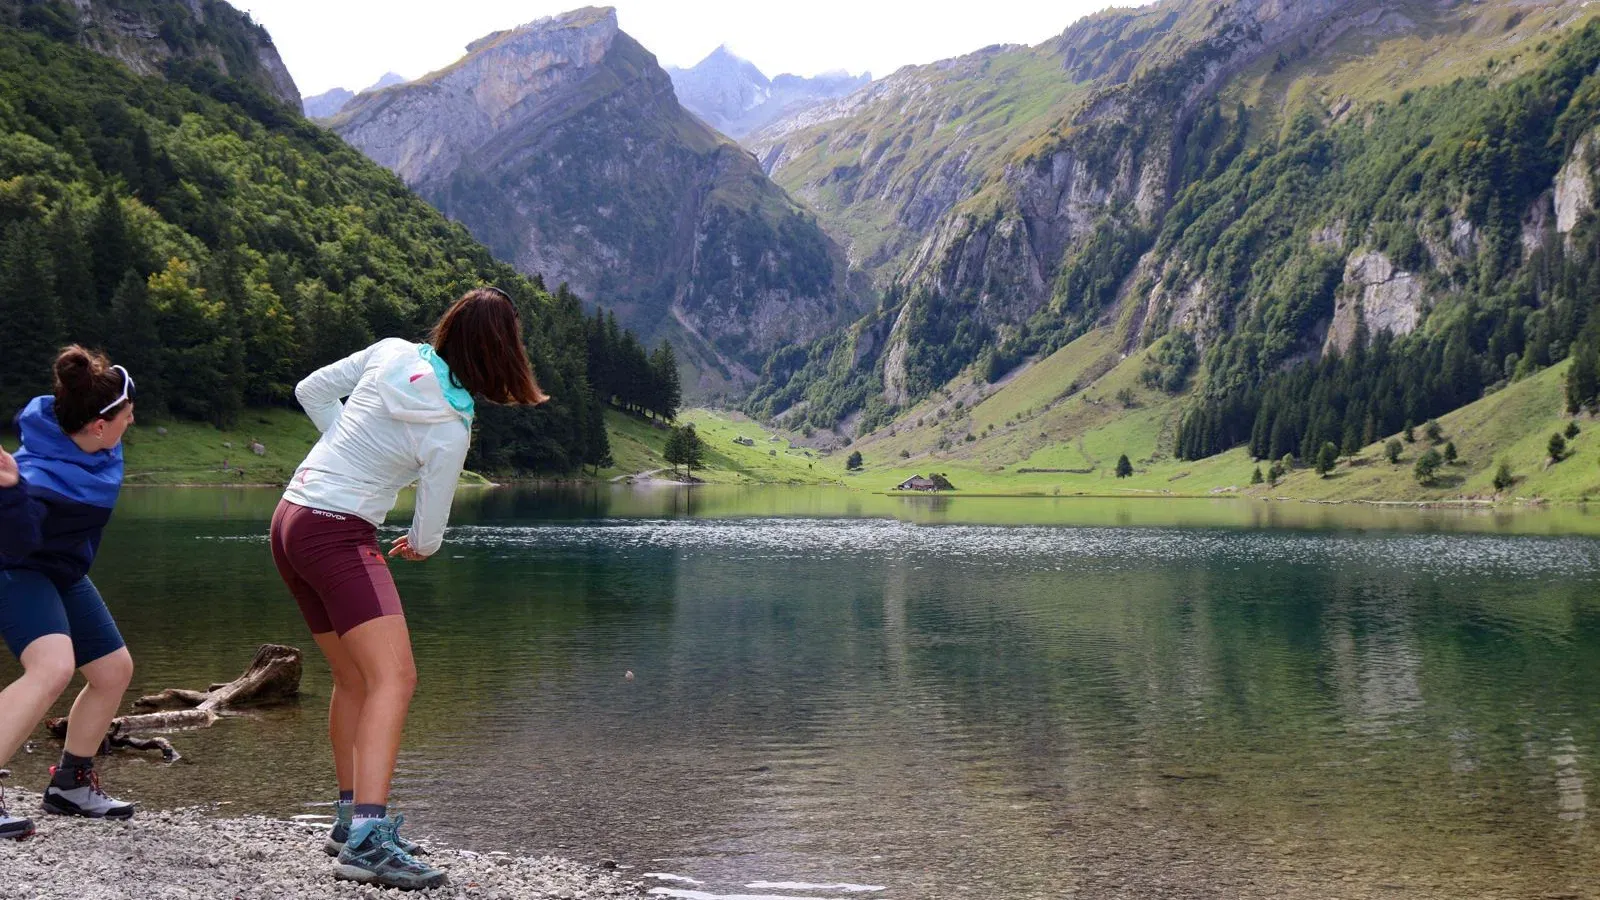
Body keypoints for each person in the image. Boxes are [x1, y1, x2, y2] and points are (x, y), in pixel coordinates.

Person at [270, 287, 547, 890]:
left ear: (450, 328)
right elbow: (428, 530)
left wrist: (347, 448)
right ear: (502, 353)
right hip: (338, 533)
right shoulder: (451, 424)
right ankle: (368, 839)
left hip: (291, 518)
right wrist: (418, 545)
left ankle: (348, 821)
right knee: (396, 678)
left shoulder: (390, 350)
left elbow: (310, 390)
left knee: (352, 678)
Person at [0, 347, 139, 840]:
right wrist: (11, 492)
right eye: (126, 416)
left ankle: (70, 784)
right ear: (99, 427)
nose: (132, 420)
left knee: (112, 671)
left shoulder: (93, 439)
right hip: (15, 566)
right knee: (52, 667)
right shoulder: (35, 479)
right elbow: (18, 540)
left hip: (62, 569)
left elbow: (113, 391)